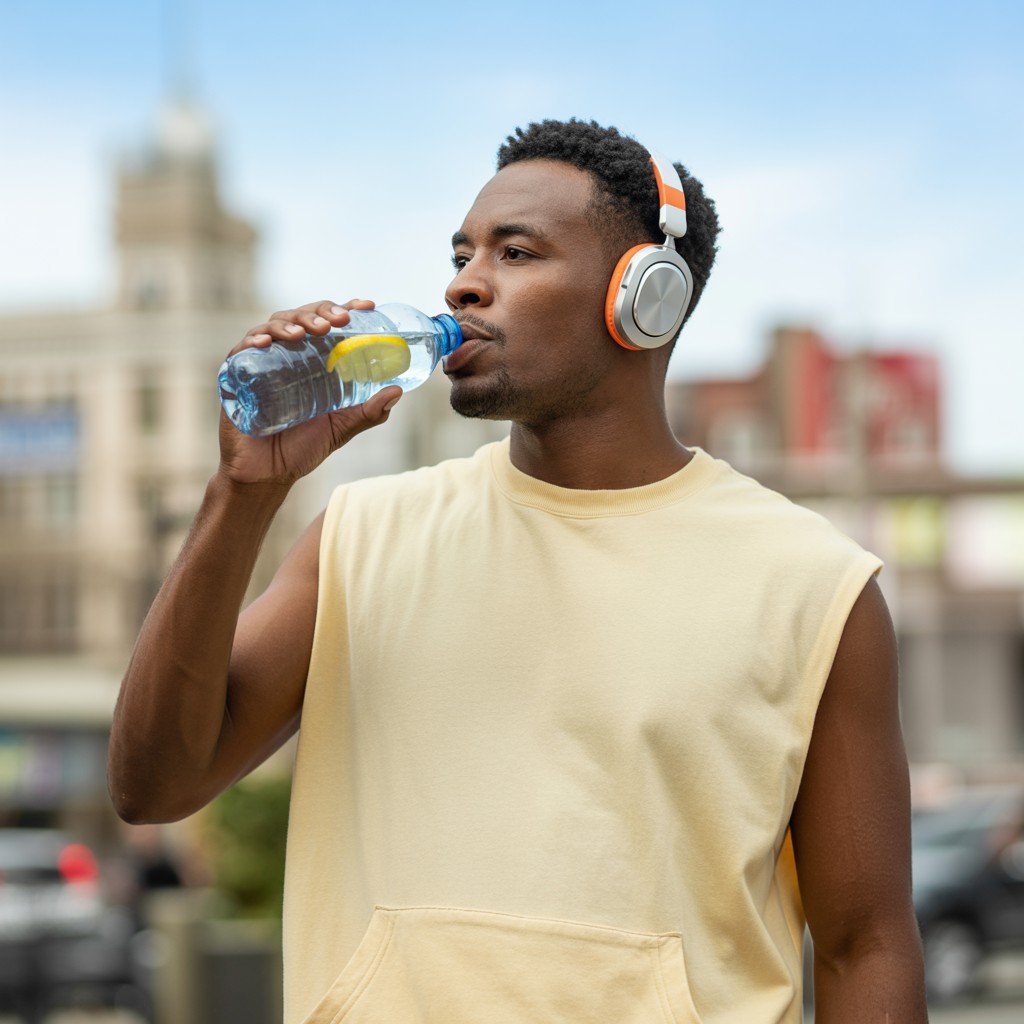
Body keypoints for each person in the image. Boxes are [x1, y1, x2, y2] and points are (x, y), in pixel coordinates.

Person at [108, 118, 928, 1022]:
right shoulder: (360, 537)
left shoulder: (813, 587)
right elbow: (153, 785)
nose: (463, 281)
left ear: (642, 298)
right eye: (461, 252)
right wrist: (243, 492)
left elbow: (867, 945)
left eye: (517, 251)